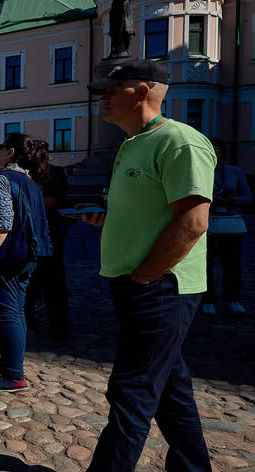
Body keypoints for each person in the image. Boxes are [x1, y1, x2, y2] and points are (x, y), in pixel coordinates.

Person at [78, 60, 214, 471]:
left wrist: (144, 277)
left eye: (111, 88)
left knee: (131, 391)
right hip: (135, 283)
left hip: (161, 288)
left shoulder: (179, 142)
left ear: (141, 91)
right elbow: (151, 210)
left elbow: (193, 221)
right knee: (172, 392)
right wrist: (107, 217)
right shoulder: (133, 143)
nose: (103, 96)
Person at [0, 133, 51, 393]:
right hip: (27, 257)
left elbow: (1, 225)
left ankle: (14, 375)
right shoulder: (30, 183)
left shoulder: (2, 180)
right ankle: (9, 363)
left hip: (6, 260)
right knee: (15, 312)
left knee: (7, 313)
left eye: (0, 147)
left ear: (10, 153)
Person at [25, 140, 71, 335]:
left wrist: (25, 202)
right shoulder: (26, 174)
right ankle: (27, 321)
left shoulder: (55, 173)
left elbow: (51, 202)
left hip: (49, 234)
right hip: (29, 235)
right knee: (29, 281)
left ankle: (58, 325)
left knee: (53, 282)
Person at [203, 138, 251, 315]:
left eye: (217, 148)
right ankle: (208, 300)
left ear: (223, 152)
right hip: (207, 222)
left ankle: (233, 299)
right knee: (206, 264)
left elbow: (248, 197)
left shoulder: (235, 171)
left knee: (232, 264)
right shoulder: (199, 170)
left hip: (230, 222)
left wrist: (233, 199)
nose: (214, 151)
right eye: (211, 148)